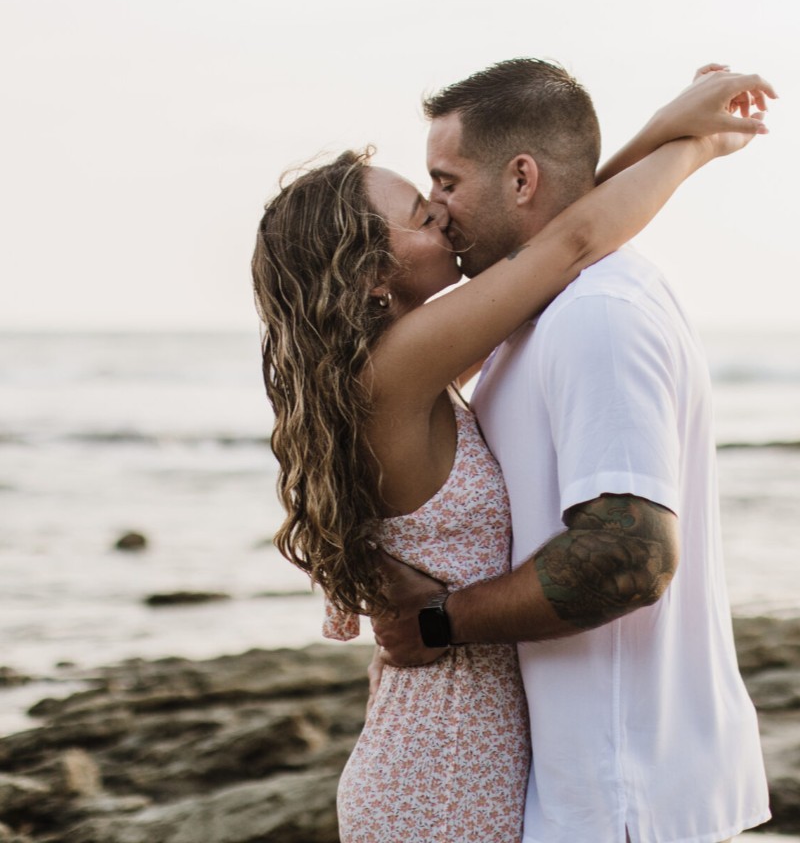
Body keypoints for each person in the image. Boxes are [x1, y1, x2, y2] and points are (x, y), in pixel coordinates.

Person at [252, 63, 774, 843]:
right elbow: (567, 239)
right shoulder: (397, 370)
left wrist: (672, 127)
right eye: (421, 211)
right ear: (367, 276)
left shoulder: (416, 364)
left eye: (443, 190)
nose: (440, 215)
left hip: (471, 762)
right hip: (441, 775)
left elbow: (561, 226)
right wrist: (693, 144)